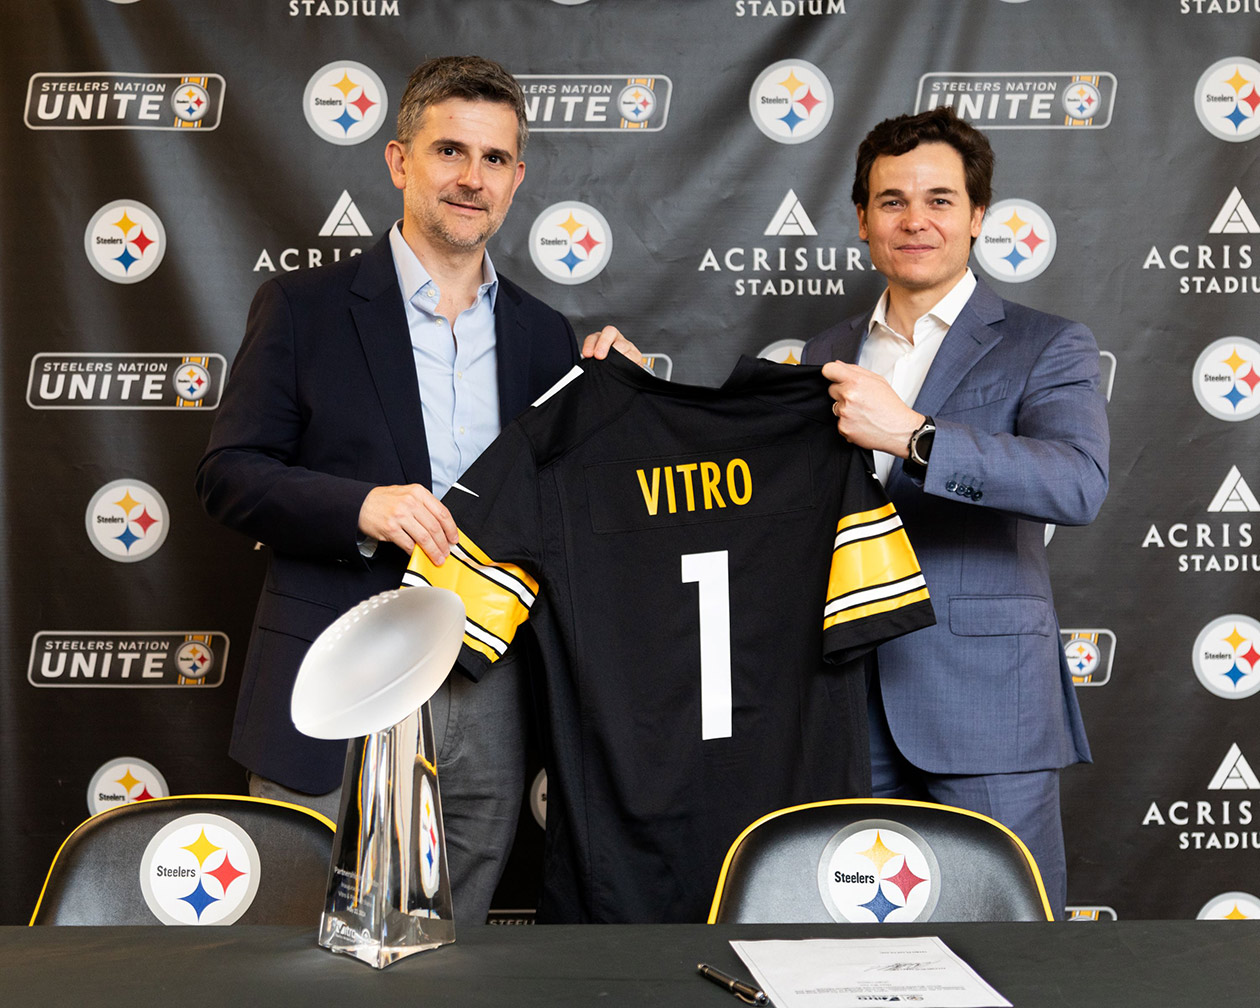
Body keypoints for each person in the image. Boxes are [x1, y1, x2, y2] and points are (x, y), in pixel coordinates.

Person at [195, 54, 639, 925]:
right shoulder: (303, 308)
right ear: (400, 162)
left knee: (449, 936)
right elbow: (228, 475)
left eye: (495, 159)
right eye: (449, 152)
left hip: (484, 680)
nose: (471, 179)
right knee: (289, 939)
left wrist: (614, 407)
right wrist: (359, 508)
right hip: (331, 664)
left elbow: (572, 517)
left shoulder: (546, 337)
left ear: (517, 179)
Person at [802, 106, 1109, 916]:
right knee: (859, 959)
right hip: (845, 702)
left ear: (977, 217)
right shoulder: (821, 352)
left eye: (940, 199)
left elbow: (1077, 482)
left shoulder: (1046, 343)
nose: (915, 220)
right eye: (892, 200)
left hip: (987, 706)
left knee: (1013, 950)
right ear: (863, 219)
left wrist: (917, 437)